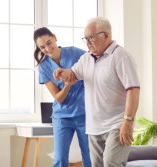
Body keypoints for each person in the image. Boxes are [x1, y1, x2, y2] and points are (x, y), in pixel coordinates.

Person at [53, 17, 140, 167]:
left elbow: (133, 89)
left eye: (91, 37)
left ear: (106, 35)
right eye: (85, 38)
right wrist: (63, 72)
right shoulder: (86, 58)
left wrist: (128, 121)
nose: (87, 42)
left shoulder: (121, 56)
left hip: (117, 123)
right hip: (94, 126)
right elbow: (72, 75)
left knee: (111, 162)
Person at [33, 27, 91, 167]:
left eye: (49, 42)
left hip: (84, 114)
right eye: (42, 47)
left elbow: (94, 65)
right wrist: (67, 85)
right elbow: (58, 98)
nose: (47, 48)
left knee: (89, 155)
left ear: (55, 37)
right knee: (60, 158)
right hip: (62, 117)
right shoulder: (44, 67)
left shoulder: (76, 53)